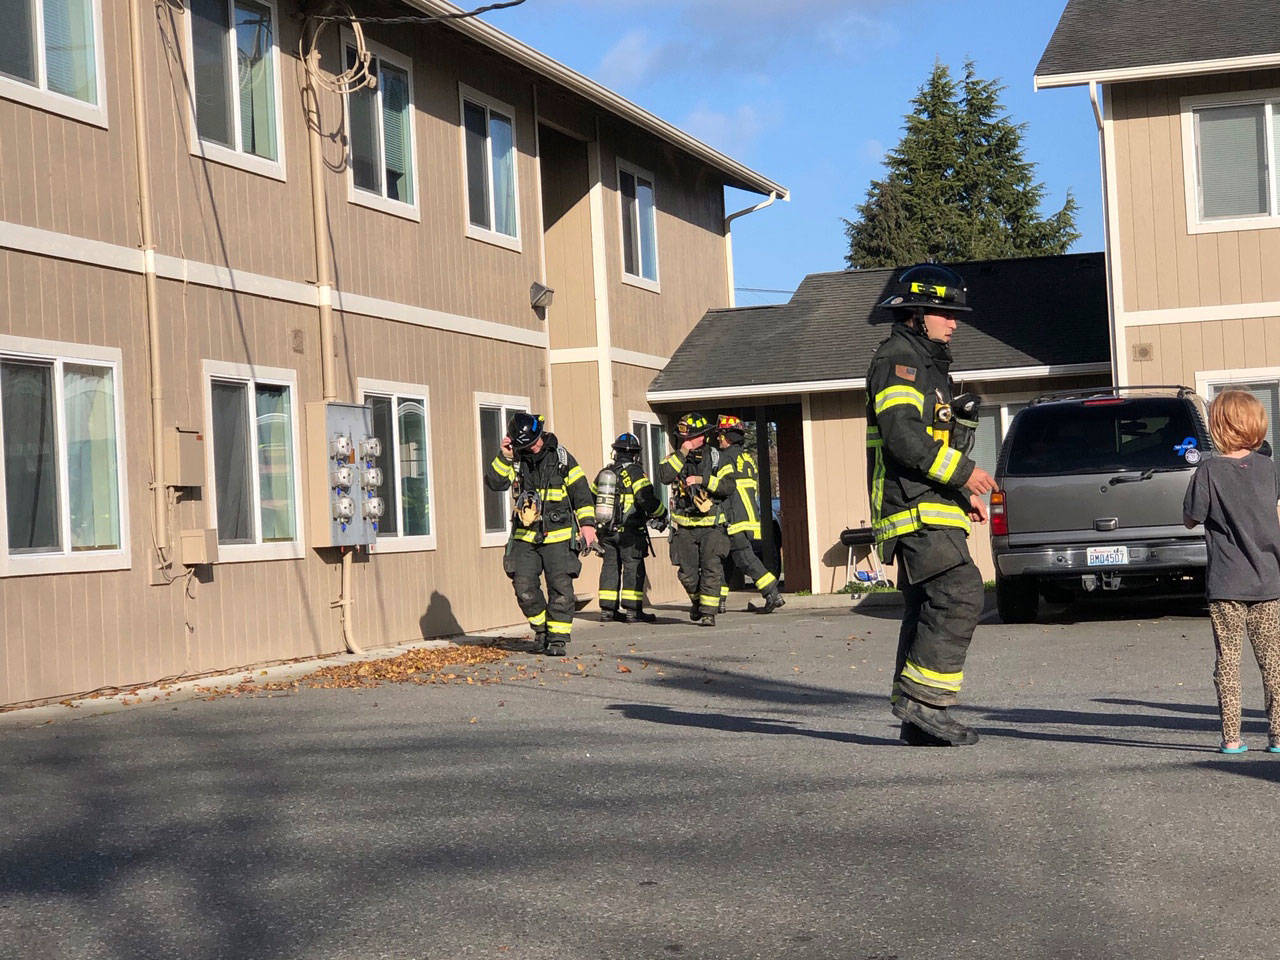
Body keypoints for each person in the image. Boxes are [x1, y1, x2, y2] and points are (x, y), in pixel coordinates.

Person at [865, 263, 998, 746]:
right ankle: (924, 705)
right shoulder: (898, 361)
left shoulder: (927, 367)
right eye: (945, 312)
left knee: (926, 606)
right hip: (912, 507)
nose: (954, 322)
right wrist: (966, 474)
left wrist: (962, 495)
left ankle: (916, 721)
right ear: (917, 312)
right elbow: (904, 439)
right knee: (960, 591)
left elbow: (930, 439)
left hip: (931, 503)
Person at [1182, 390, 1280, 755]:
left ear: (1220, 426)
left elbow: (1191, 516)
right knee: (1273, 662)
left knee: (1228, 661)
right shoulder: (1268, 468)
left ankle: (1233, 737)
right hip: (1268, 580)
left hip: (1227, 583)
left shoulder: (1208, 470)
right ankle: (1278, 736)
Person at [484, 413, 596, 656]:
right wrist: (504, 456)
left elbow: (582, 492)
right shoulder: (515, 459)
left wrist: (588, 525)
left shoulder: (562, 458)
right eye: (528, 444)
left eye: (536, 441)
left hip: (559, 536)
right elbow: (495, 483)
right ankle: (542, 630)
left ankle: (557, 638)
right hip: (526, 537)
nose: (534, 446)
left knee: (560, 588)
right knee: (524, 586)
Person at [658, 412, 735, 626]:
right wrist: (683, 451)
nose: (693, 441)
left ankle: (708, 613)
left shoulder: (719, 457)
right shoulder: (675, 458)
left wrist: (702, 480)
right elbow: (664, 476)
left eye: (696, 436)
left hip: (712, 526)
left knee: (711, 568)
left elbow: (729, 486)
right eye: (688, 438)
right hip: (684, 527)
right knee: (687, 573)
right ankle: (697, 601)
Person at [713, 414, 785, 614]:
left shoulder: (726, 458)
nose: (718, 438)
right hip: (749, 517)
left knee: (745, 558)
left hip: (735, 518)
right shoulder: (746, 458)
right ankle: (719, 601)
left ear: (729, 436)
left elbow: (723, 487)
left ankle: (772, 593)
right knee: (724, 559)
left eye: (721, 434)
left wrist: (703, 483)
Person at [596, 432, 668, 624]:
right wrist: (662, 513)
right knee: (632, 567)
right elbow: (647, 499)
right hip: (630, 532)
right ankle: (632, 611)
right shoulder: (637, 472)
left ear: (616, 452)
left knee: (610, 567)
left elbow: (592, 497)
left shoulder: (606, 473)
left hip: (607, 532)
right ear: (635, 454)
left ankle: (607, 611)